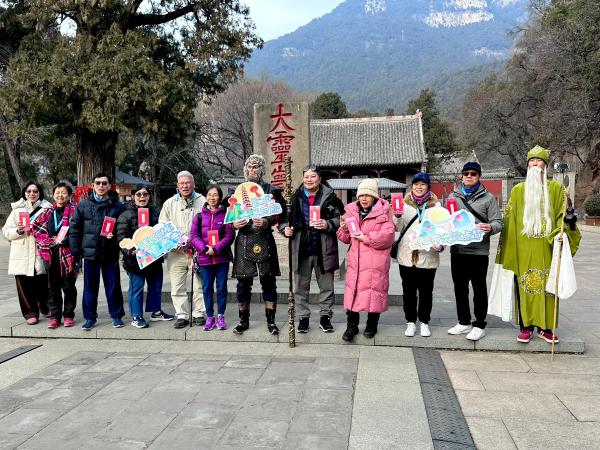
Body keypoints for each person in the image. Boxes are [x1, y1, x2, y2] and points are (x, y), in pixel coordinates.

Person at [494, 146, 580, 343]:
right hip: (522, 249)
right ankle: (526, 327)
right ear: (527, 165)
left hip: (546, 247)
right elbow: (510, 222)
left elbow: (562, 217)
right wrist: (509, 251)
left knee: (548, 288)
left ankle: (546, 328)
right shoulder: (517, 191)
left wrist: (563, 234)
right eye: (531, 161)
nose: (534, 164)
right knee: (524, 287)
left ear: (545, 165)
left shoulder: (556, 189)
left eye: (538, 161)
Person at [283, 164, 345, 333]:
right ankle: (303, 318)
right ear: (303, 179)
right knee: (300, 287)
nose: (309, 180)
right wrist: (285, 229)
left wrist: (328, 224)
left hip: (323, 248)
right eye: (306, 177)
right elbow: (283, 219)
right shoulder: (293, 197)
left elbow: (342, 218)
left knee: (327, 287)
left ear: (320, 178)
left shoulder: (331, 197)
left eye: (313, 176)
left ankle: (325, 317)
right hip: (301, 248)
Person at [231, 155, 286, 335]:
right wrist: (233, 224)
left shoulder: (271, 191)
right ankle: (243, 321)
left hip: (264, 238)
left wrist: (267, 221)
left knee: (269, 281)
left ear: (262, 169)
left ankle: (271, 321)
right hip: (244, 239)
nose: (252, 170)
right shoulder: (237, 191)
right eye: (249, 167)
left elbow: (281, 214)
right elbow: (227, 216)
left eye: (256, 167)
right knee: (243, 283)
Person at [447, 162, 502, 341]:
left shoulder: (488, 198)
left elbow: (498, 222)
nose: (469, 176)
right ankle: (463, 321)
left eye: (473, 173)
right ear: (461, 176)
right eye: (466, 173)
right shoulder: (452, 197)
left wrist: (490, 227)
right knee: (460, 288)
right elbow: (447, 221)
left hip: (479, 252)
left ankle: (479, 324)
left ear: (479, 177)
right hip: (458, 250)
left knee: (479, 288)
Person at [337, 178, 395, 341]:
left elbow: (388, 236)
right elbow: (345, 239)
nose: (364, 199)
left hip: (375, 261)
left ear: (374, 197)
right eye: (361, 195)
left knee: (374, 292)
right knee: (353, 291)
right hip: (356, 261)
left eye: (367, 195)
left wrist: (366, 238)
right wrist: (343, 229)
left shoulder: (383, 212)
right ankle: (351, 326)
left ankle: (371, 325)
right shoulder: (350, 211)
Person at [69, 172, 125, 330]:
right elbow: (75, 230)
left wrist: (115, 238)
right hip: (90, 253)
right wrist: (76, 253)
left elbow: (122, 229)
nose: (101, 186)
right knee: (90, 287)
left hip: (109, 253)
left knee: (113, 286)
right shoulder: (83, 205)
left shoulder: (118, 206)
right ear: (93, 185)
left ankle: (116, 316)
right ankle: (90, 318)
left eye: (104, 183)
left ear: (109, 186)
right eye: (98, 183)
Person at [116, 184, 174, 329]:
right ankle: (136, 316)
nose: (142, 197)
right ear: (133, 196)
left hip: (154, 258)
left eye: (145, 194)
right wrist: (130, 251)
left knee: (155, 286)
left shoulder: (156, 212)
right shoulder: (125, 215)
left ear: (149, 196)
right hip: (135, 260)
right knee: (137, 288)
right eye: (139, 194)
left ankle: (156, 312)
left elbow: (162, 230)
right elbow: (121, 238)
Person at [394, 172, 444, 338]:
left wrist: (440, 244)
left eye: (423, 184)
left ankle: (424, 322)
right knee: (408, 292)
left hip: (428, 256)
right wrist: (397, 216)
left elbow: (442, 230)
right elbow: (397, 227)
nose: (419, 187)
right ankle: (410, 322)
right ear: (412, 186)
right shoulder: (403, 204)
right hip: (406, 255)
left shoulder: (436, 207)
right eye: (416, 184)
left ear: (428, 187)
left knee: (426, 292)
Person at [159, 171, 207, 328]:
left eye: (188, 182)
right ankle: (181, 315)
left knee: (199, 283)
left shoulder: (203, 201)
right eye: (182, 183)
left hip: (197, 251)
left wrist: (197, 243)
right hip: (176, 251)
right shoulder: (169, 203)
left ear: (193, 184)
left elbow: (208, 225)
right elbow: (162, 225)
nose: (185, 186)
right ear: (177, 185)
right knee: (177, 284)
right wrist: (171, 242)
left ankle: (199, 313)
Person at [2, 181, 51, 324]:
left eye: (35, 191)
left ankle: (45, 307)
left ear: (40, 193)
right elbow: (6, 231)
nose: (32, 194)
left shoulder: (47, 208)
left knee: (43, 282)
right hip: (21, 252)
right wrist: (18, 231)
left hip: (39, 251)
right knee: (24, 284)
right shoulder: (17, 210)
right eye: (29, 191)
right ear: (24, 193)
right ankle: (30, 312)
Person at [31, 181, 78, 328]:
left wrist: (66, 240)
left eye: (63, 193)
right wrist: (47, 242)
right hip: (51, 253)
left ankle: (68, 315)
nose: (60, 195)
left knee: (69, 286)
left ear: (69, 195)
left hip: (68, 253)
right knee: (53, 287)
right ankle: (55, 316)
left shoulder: (75, 211)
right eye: (57, 193)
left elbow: (79, 230)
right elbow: (37, 229)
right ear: (53, 195)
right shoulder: (47, 212)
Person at [190, 184, 235, 331]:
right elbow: (194, 236)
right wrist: (204, 249)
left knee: (221, 288)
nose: (212, 197)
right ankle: (210, 317)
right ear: (206, 197)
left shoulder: (226, 214)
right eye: (210, 194)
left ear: (220, 197)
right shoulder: (199, 216)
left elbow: (229, 235)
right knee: (207, 288)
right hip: (205, 258)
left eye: (215, 195)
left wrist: (216, 249)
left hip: (221, 258)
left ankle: (220, 316)